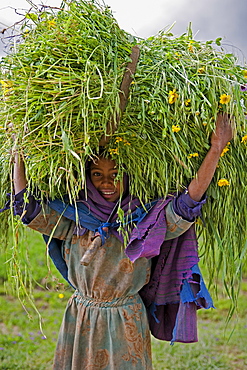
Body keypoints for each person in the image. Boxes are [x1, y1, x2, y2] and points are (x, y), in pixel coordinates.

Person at [12, 112, 233, 369]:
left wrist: (216, 149)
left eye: (116, 174)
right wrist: (18, 151)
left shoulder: (146, 222)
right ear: (87, 177)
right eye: (97, 174)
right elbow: (28, 208)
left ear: (129, 176)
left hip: (126, 318)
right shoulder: (74, 217)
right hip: (82, 316)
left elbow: (187, 204)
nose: (107, 182)